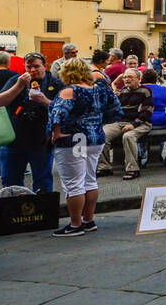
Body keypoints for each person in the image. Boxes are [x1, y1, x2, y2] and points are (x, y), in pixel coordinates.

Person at [48, 58, 121, 236]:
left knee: (74, 183)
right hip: (96, 138)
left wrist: (56, 132)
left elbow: (58, 113)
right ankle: (88, 220)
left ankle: (75, 224)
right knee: (90, 179)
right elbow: (116, 110)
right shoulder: (100, 89)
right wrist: (97, 122)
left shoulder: (69, 91)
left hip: (75, 139)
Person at [0, 52, 63, 193]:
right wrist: (19, 86)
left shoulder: (54, 83)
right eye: (29, 67)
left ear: (45, 66)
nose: (32, 70)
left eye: (36, 66)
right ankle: (13, 213)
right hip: (13, 140)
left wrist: (44, 100)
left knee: (43, 182)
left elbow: (63, 111)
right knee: (10, 182)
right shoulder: (16, 80)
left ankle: (43, 212)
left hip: (41, 140)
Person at [100, 68, 154, 180]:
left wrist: (133, 125)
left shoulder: (145, 91)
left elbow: (147, 111)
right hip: (121, 122)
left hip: (142, 123)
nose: (126, 79)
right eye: (124, 77)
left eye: (130, 77)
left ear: (139, 79)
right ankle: (104, 167)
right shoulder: (123, 91)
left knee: (128, 136)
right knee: (101, 134)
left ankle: (133, 169)